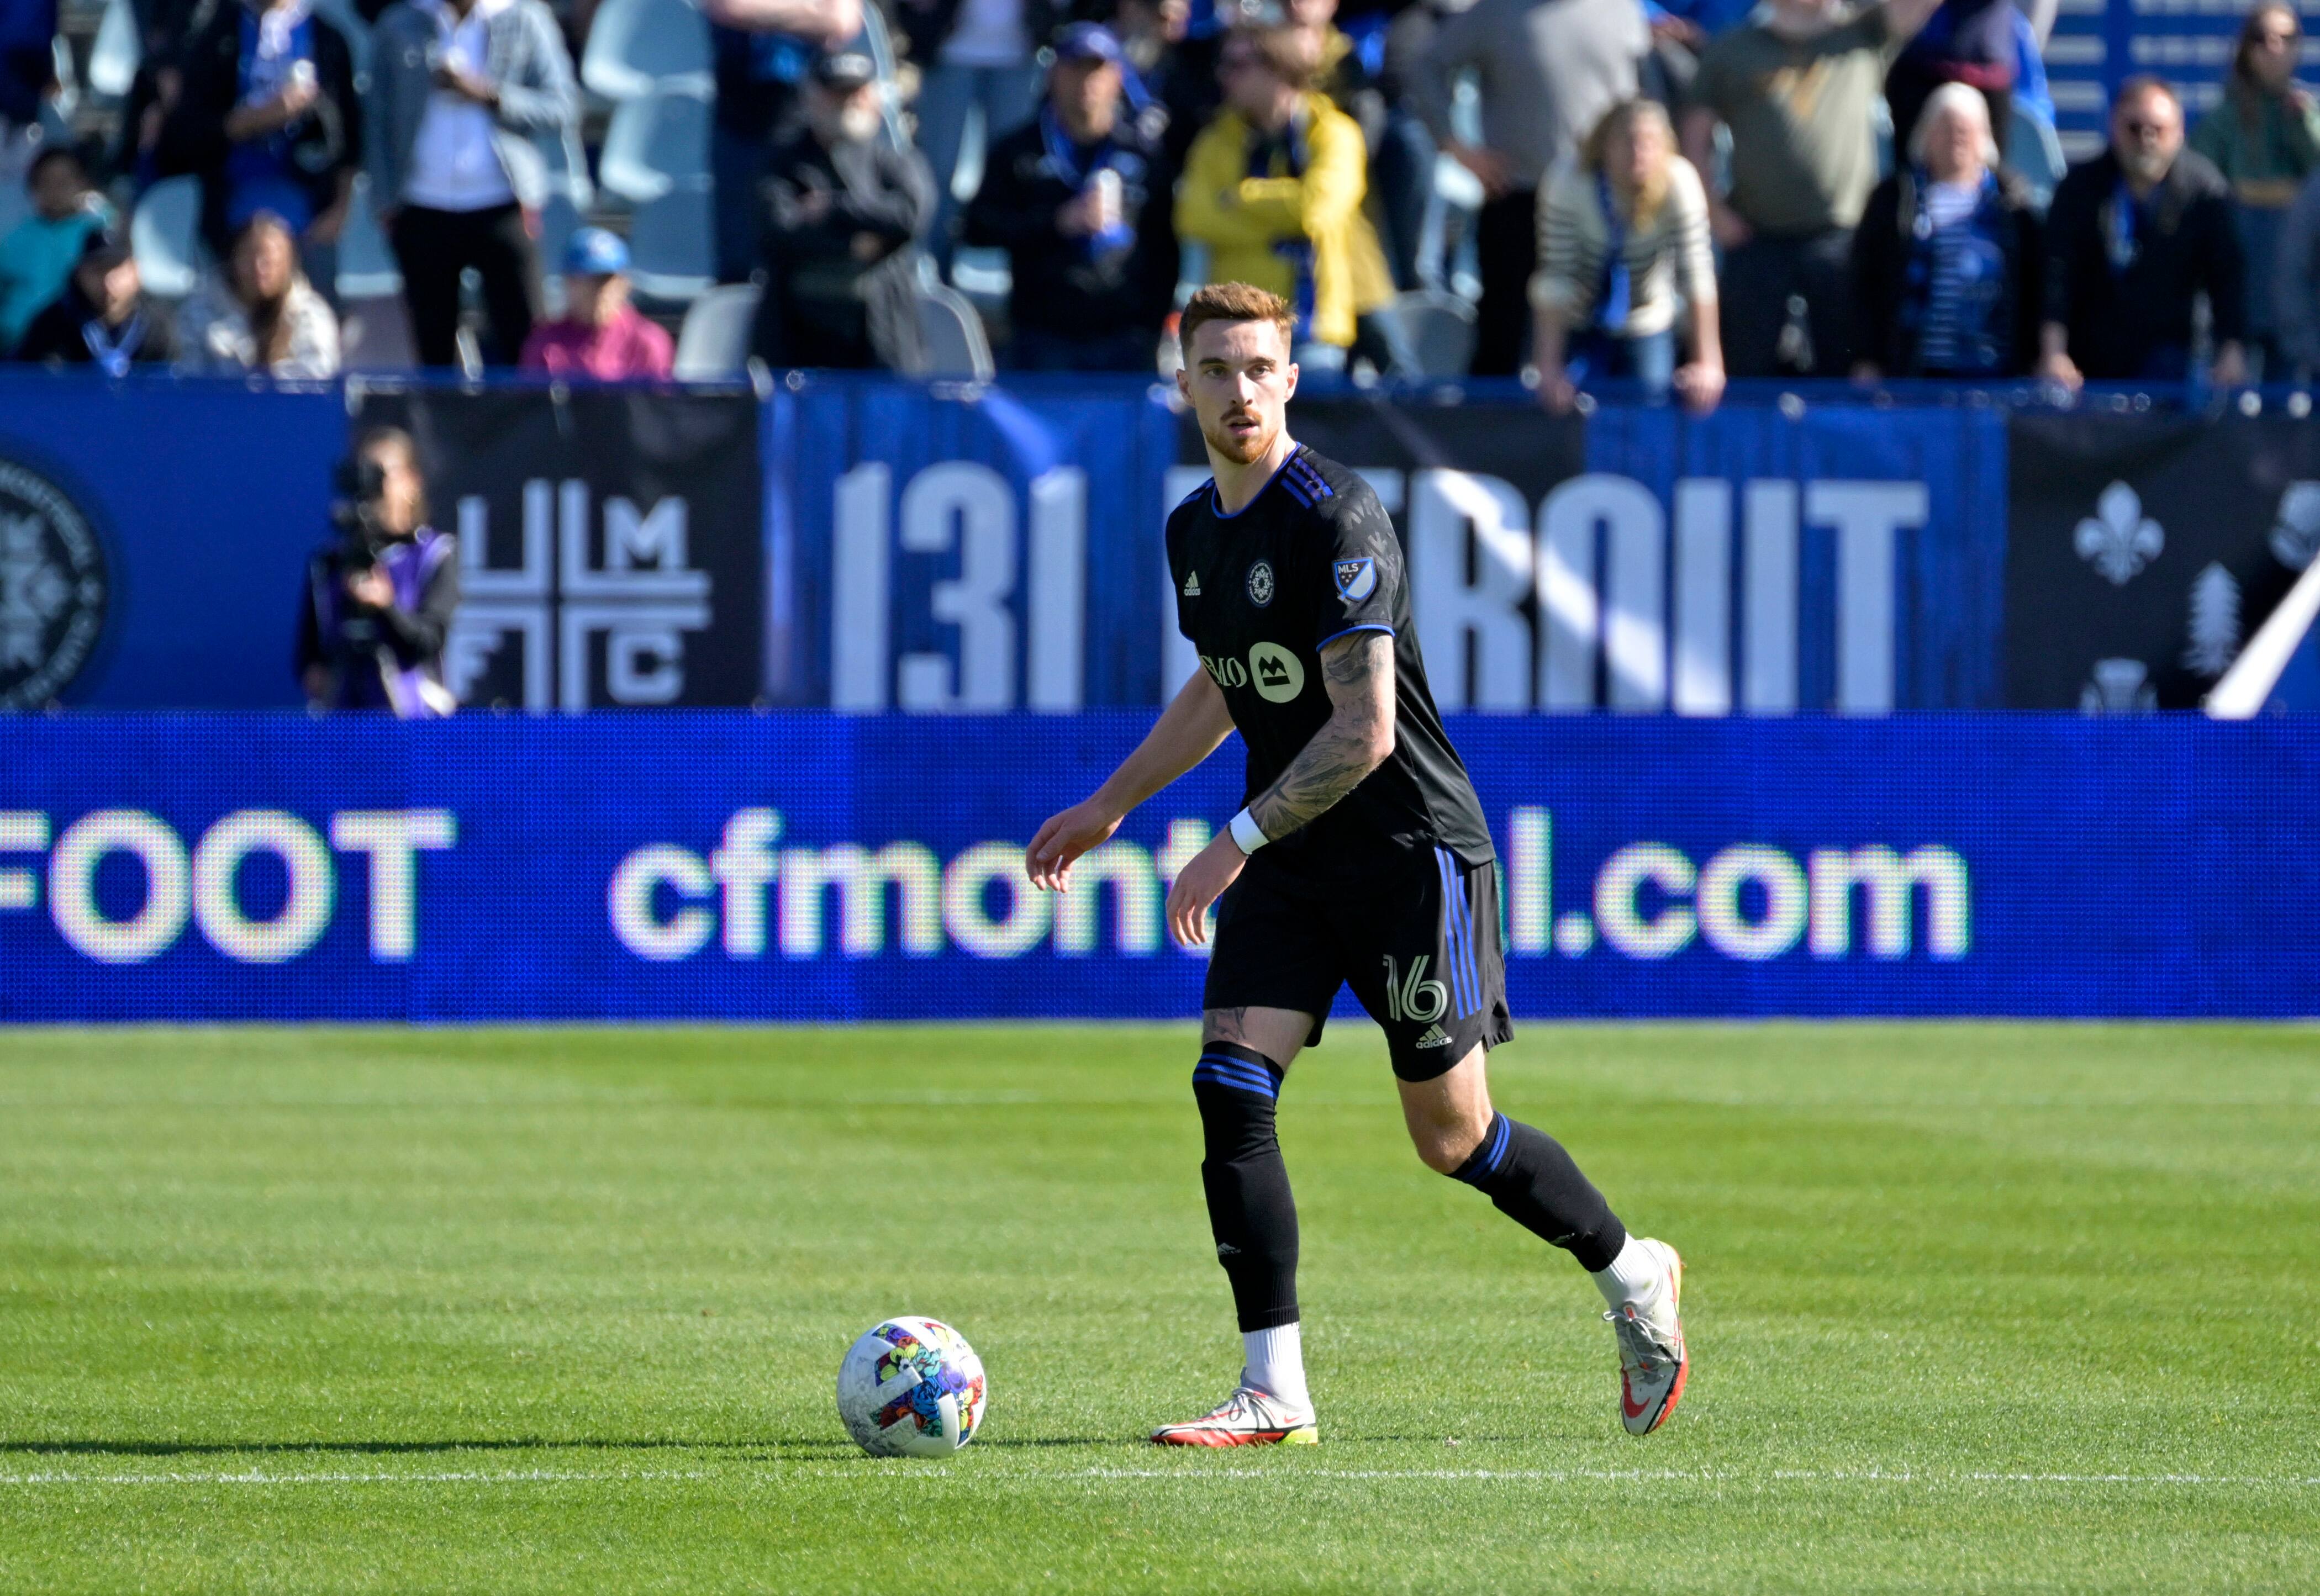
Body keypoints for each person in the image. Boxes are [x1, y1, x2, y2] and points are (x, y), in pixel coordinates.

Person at [1025, 281, 1689, 1448]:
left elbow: (1364, 728)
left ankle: (1633, 1271)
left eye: (1259, 368)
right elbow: (1227, 688)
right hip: (1291, 857)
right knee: (1230, 1082)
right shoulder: (1194, 531)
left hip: (1406, 851)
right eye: (1216, 369)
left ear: (1291, 379)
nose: (1239, 390)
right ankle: (1273, 1385)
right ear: (1182, 384)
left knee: (1452, 1138)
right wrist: (1111, 801)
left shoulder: (1338, 514)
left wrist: (1229, 842)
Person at [1683, 0, 1946, 378]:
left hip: (1841, 237)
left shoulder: (1863, 35)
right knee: (1745, 372)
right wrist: (1715, 214)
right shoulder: (1732, 49)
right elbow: (1695, 137)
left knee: (1844, 370)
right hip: (1757, 238)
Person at [1410, 0, 1646, 376]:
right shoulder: (1497, 10)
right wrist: (1457, 148)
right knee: (1504, 342)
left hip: (1606, 202)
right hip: (1518, 199)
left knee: (1609, 344)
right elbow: (1425, 68)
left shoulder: (1623, 10)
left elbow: (1645, 99)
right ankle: (1498, 433)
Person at [365, 0, 579, 366]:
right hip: (422, 205)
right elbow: (376, 118)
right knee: (433, 349)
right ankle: (441, 426)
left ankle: (527, 424)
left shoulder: (524, 18)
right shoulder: (400, 24)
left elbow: (563, 106)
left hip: (502, 202)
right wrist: (386, 201)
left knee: (523, 342)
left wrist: (490, 95)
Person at [1175, 25, 1400, 374]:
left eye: (1238, 65)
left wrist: (1239, 198)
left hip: (1309, 327)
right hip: (1235, 328)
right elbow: (1194, 217)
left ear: (1277, 69)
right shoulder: (1217, 139)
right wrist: (1280, 222)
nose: (1224, 76)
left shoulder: (1334, 133)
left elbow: (1316, 212)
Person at [962, 22, 1172, 371]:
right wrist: (1055, 222)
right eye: (1075, 69)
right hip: (1043, 335)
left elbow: (1166, 245)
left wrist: (1151, 324)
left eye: (1097, 71)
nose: (1086, 82)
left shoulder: (1144, 154)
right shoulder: (1019, 150)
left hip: (1124, 336)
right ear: (1054, 75)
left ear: (1117, 78)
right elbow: (976, 228)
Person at [2039, 77, 2245, 389]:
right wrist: (2053, 351)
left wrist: (2231, 349)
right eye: (2134, 128)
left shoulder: (2203, 191)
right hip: (2090, 364)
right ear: (2114, 126)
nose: (2146, 139)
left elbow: (2226, 276)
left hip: (2171, 360)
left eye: (2158, 130)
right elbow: (2056, 274)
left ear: (2179, 133)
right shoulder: (2080, 189)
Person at [1531, 98, 1723, 411]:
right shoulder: (1567, 181)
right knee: (1561, 407)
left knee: (1649, 408)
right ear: (1605, 146)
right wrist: (1548, 367)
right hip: (1576, 317)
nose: (1639, 154)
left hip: (1645, 316)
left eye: (1650, 143)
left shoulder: (1680, 183)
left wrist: (1708, 363)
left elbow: (1697, 273)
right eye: (1628, 142)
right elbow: (1555, 275)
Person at [750, 51, 935, 372]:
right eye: (837, 93)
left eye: (858, 93)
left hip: (882, 335)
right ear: (811, 98)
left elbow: (911, 215)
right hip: (799, 336)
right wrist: (855, 245)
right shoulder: (783, 164)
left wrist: (834, 208)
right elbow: (780, 229)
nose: (849, 102)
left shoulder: (892, 162)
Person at [164, 0, 362, 289]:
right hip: (230, 210)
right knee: (227, 320)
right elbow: (187, 132)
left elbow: (349, 136)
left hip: (310, 214)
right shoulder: (216, 32)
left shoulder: (327, 38)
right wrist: (258, 118)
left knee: (312, 320)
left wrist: (340, 208)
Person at [1850, 82, 2040, 380]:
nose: (1957, 138)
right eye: (1946, 128)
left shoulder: (2013, 205)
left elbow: (2033, 286)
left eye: (1967, 130)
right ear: (1925, 135)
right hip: (1914, 373)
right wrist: (1867, 357)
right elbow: (1865, 282)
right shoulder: (1895, 200)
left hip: (1992, 373)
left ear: (1985, 138)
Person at [2189, 2, 2320, 375]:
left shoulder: (2306, 112)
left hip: (2297, 275)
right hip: (2242, 266)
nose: (2275, 49)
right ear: (2247, 48)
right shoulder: (2224, 117)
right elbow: (2200, 180)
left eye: (2286, 39)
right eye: (2263, 39)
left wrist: (2304, 125)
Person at [294, 425, 460, 717]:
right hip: (343, 728)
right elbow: (308, 654)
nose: (373, 488)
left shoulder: (435, 555)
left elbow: (428, 641)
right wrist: (318, 674)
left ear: (412, 481)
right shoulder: (330, 562)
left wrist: (386, 606)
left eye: (382, 474)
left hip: (410, 727)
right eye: (366, 473)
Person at [703, 0, 863, 283]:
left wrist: (763, 15)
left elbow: (841, 22)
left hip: (804, 124)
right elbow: (729, 10)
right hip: (739, 122)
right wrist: (808, 12)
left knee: (799, 240)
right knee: (736, 255)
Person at [898, 0, 1058, 265]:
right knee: (936, 171)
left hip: (1020, 54)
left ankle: (1005, 271)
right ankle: (929, 268)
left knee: (1014, 174)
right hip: (947, 52)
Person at [177, 210, 342, 376]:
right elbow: (187, 375)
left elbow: (319, 377)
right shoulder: (200, 310)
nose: (259, 268)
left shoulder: (310, 314)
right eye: (249, 257)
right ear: (233, 258)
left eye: (269, 261)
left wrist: (271, 376)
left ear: (287, 264)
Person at [519, 225, 675, 379]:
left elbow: (656, 402)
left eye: (605, 282)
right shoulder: (545, 343)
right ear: (568, 284)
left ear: (624, 285)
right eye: (588, 282)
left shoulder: (647, 342)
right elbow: (534, 402)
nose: (599, 292)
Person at [14, 229, 180, 371]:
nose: (108, 282)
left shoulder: (158, 326)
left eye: (116, 270)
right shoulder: (54, 324)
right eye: (98, 271)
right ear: (79, 274)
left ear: (135, 273)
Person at [0, 146, 107, 353]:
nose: (56, 190)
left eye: (65, 182)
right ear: (34, 187)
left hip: (75, 347)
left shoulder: (97, 235)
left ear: (82, 184)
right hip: (13, 344)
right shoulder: (14, 238)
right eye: (47, 182)